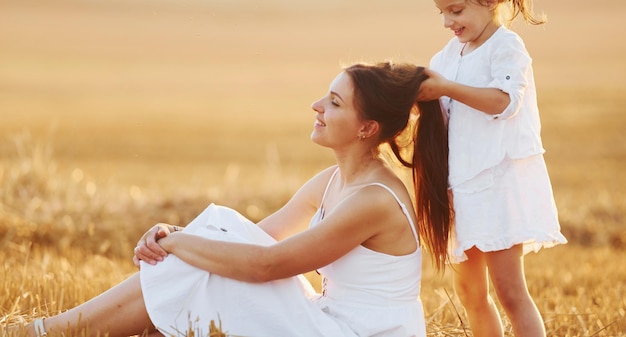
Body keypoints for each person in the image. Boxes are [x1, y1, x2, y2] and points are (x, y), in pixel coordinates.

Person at [16, 61, 453, 337]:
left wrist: (177, 244)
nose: (316, 105)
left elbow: (267, 265)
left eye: (334, 102)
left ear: (366, 128)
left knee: (202, 257)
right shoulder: (333, 180)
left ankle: (44, 332)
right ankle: (51, 331)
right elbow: (257, 237)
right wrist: (181, 236)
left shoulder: (373, 200)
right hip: (328, 321)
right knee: (211, 241)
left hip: (350, 332)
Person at [417, 1, 568, 336]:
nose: (446, 22)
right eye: (441, 12)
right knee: (470, 293)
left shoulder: (506, 46)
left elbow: (504, 101)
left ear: (489, 2)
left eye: (455, 10)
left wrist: (445, 88)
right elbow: (443, 118)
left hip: (497, 185)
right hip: (460, 186)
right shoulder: (445, 57)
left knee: (509, 291)